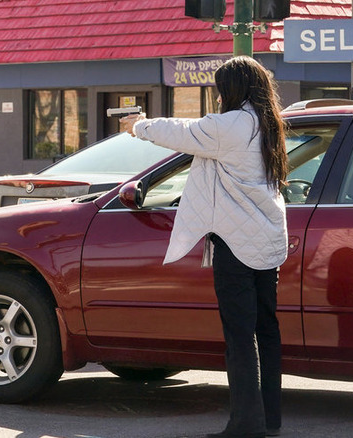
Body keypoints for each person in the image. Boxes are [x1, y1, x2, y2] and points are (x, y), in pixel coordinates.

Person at [121, 56, 289, 438]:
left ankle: (246, 424)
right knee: (267, 330)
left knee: (240, 336)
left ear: (231, 89)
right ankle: (269, 418)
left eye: (219, 89)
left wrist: (140, 126)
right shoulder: (267, 122)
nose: (216, 96)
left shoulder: (232, 124)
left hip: (235, 243)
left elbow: (184, 131)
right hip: (266, 240)